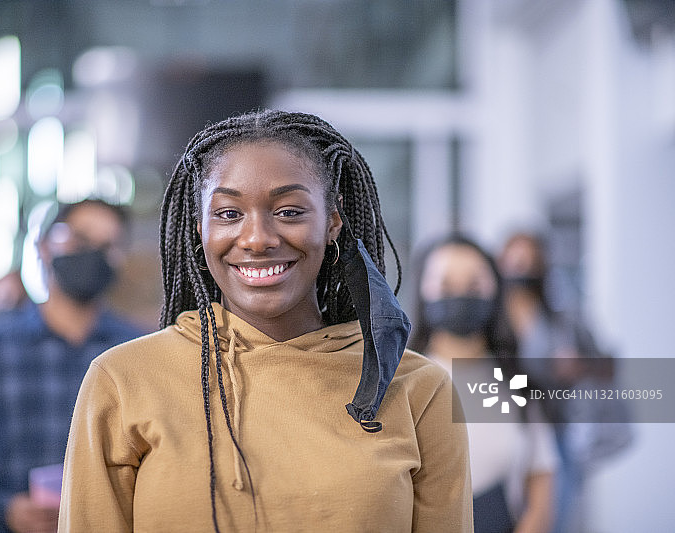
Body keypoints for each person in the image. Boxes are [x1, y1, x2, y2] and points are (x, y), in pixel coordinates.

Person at [58, 110, 473, 532]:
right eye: (228, 214)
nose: (257, 239)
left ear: (332, 222)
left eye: (289, 211)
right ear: (199, 229)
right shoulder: (123, 379)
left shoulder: (419, 389)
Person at [0, 199, 144, 533]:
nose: (93, 255)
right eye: (80, 241)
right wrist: (3, 512)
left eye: (107, 246)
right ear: (44, 247)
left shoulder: (137, 355)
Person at [409, 233, 558, 533]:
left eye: (474, 285)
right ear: (423, 291)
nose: (460, 295)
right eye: (446, 285)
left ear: (495, 289)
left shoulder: (516, 382)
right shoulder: (403, 381)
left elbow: (541, 485)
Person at [498, 231, 631, 533]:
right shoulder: (492, 321)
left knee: (554, 516)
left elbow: (607, 365)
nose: (521, 272)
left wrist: (577, 366)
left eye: (530, 263)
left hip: (555, 431)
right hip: (508, 430)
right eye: (515, 263)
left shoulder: (564, 320)